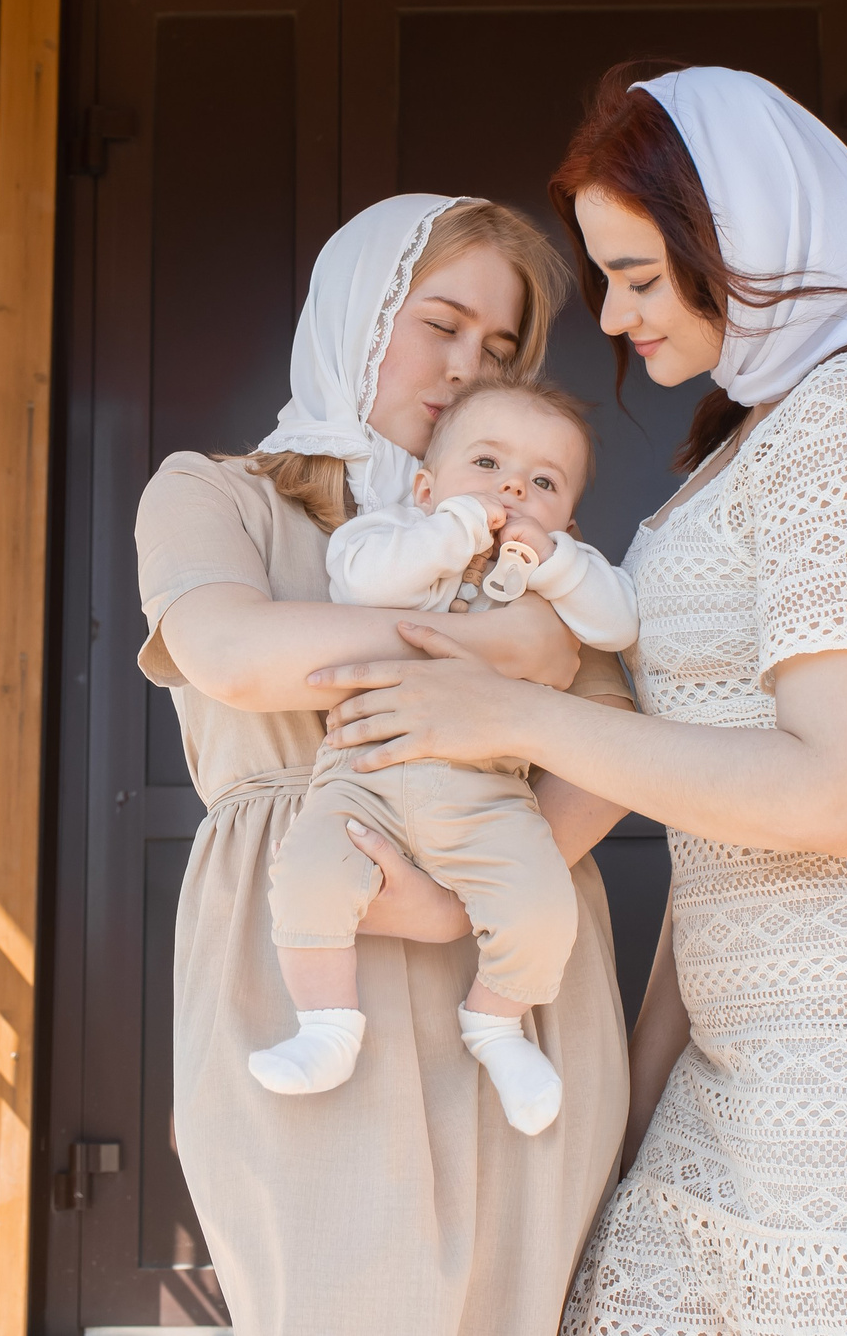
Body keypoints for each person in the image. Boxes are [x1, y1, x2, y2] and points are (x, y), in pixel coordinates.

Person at [311, 69, 847, 1335]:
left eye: (640, 275)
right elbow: (704, 796)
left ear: (748, 245)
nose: (611, 317)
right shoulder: (752, 434)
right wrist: (642, 1081)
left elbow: (829, 795)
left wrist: (508, 717)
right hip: (746, 1017)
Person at [135, 194, 634, 1336]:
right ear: (359, 316)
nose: (465, 369)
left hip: (509, 950)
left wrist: (458, 904)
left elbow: (609, 749)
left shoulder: (536, 548)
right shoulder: (217, 493)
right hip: (305, 954)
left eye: (499, 350)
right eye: (441, 324)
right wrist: (502, 653)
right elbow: (235, 653)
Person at [254, 379, 638, 1137]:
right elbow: (358, 581)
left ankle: (496, 1025)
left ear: (569, 517)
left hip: (489, 793)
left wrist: (558, 562)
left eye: (543, 483)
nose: (511, 488)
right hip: (363, 775)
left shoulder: (553, 577)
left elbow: (619, 620)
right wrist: (452, 531)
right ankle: (327, 1026)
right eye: (487, 463)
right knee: (307, 873)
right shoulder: (391, 534)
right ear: (426, 484)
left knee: (539, 908)